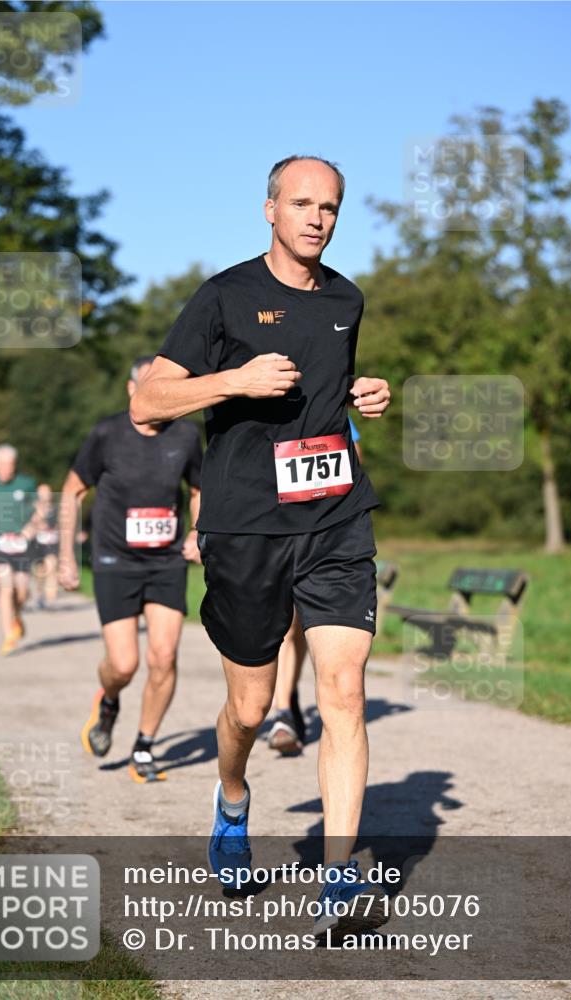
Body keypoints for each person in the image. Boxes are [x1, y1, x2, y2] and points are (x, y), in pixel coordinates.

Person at [130, 156, 391, 935]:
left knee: (342, 690)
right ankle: (233, 800)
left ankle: (338, 878)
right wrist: (231, 381)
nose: (317, 217)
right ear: (270, 209)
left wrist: (361, 393)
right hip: (246, 524)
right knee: (248, 707)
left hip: (335, 515)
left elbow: (323, 391)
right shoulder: (224, 295)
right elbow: (147, 402)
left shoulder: (346, 298)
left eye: (330, 207)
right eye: (301, 203)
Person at [59, 357, 203, 783]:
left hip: (165, 561)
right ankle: (108, 701)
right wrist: (66, 556)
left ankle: (144, 744)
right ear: (131, 389)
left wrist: (197, 531)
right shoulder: (107, 433)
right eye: (148, 385)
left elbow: (199, 489)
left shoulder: (185, 434)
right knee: (124, 665)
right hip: (115, 560)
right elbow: (72, 492)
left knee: (164, 655)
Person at [268, 418, 364, 754]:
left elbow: (354, 456)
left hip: (321, 529)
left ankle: (287, 696)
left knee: (299, 627)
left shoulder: (329, 405)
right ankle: (282, 711)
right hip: (274, 528)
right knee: (284, 625)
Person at [0, 445, 37, 655]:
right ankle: (8, 636)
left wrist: (31, 527)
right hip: (0, 544)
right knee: (5, 589)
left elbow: (39, 510)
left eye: (11, 464)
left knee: (21, 593)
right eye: (3, 464)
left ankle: (17, 617)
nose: (7, 468)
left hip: (22, 544)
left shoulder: (26, 483)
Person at [30, 484, 59, 608]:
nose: (45, 495)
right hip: (37, 543)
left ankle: (51, 599)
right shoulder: (32, 509)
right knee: (39, 572)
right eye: (42, 492)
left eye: (47, 492)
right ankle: (39, 595)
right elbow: (31, 524)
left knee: (51, 568)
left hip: (52, 543)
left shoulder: (56, 509)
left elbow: (59, 524)